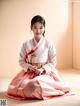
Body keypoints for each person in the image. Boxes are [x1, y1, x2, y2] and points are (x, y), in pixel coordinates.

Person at [7, 15, 70, 100]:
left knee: (35, 83)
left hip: (44, 73)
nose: (38, 30)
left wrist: (43, 69)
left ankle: (37, 90)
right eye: (35, 27)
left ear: (44, 28)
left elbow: (53, 61)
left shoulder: (49, 44)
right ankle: (35, 90)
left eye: (41, 27)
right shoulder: (26, 44)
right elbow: (21, 61)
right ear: (31, 28)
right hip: (30, 73)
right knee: (27, 85)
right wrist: (29, 67)